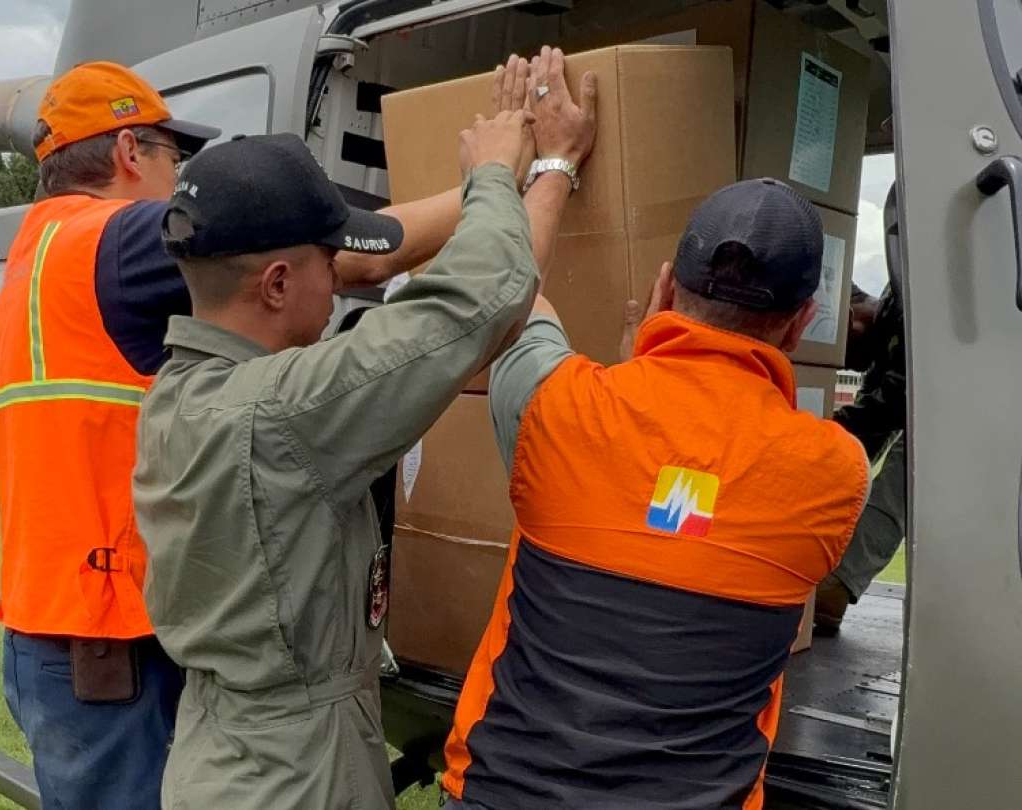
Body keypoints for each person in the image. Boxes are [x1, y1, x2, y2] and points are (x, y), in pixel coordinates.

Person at [0, 60, 472, 809]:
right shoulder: (116, 241)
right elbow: (335, 255)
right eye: (172, 160)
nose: (180, 183)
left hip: (60, 628)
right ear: (128, 153)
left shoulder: (39, 249)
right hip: (110, 644)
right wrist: (493, 188)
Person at [131, 47, 597, 810]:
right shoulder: (282, 411)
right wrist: (528, 168)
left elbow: (399, 275)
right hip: (297, 779)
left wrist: (512, 182)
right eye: (329, 257)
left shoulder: (180, 392)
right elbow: (482, 300)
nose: (347, 269)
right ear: (278, 283)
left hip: (223, 758)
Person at [441, 179, 870, 810]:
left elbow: (514, 295)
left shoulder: (558, 408)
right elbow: (695, 514)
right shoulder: (838, 472)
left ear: (664, 289)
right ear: (801, 325)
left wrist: (553, 165)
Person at [815, 185, 906, 632]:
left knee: (919, 465)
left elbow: (877, 419)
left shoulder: (905, 315)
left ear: (852, 320)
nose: (845, 365)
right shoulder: (890, 329)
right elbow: (870, 422)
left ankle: (836, 586)